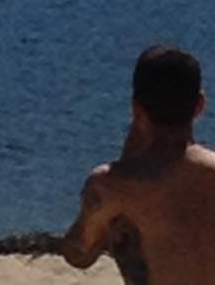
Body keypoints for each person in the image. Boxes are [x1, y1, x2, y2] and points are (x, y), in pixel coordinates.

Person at [63, 45, 215, 283]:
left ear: (137, 109)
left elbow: (79, 254)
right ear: (200, 105)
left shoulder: (111, 187)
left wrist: (132, 144)